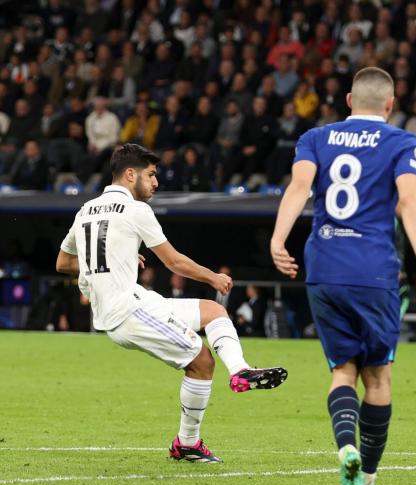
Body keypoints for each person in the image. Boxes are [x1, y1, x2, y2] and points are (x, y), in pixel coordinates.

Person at [270, 67, 416, 485]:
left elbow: (299, 187)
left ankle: (345, 445)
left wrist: (277, 238)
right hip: (374, 271)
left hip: (323, 266)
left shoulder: (315, 138)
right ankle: (365, 473)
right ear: (390, 103)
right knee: (378, 377)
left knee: (341, 371)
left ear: (348, 100)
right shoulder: (403, 143)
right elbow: (408, 200)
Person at [55, 144, 287, 464]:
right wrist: (213, 278)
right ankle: (187, 443)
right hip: (127, 311)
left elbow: (64, 263)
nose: (156, 183)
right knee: (202, 362)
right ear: (130, 174)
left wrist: (113, 258)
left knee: (214, 311)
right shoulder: (136, 210)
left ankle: (240, 370)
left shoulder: (85, 210)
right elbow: (174, 262)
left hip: (131, 301)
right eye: (151, 175)